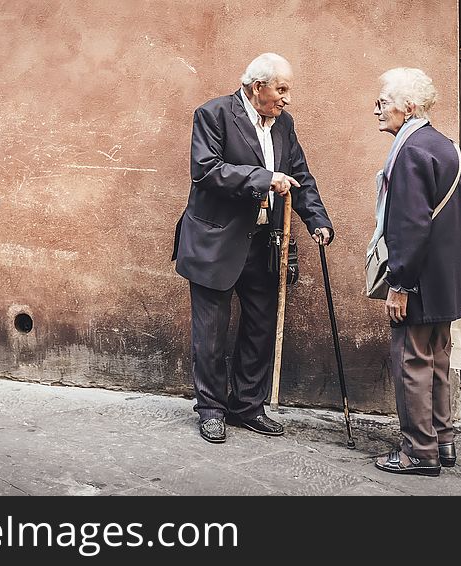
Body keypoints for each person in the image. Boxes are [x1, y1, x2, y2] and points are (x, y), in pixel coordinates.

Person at [171, 53, 334, 443]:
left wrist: (318, 220)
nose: (287, 98)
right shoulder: (213, 115)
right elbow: (207, 170)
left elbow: (299, 175)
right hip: (215, 241)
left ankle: (247, 406)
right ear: (257, 86)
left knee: (260, 328)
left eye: (287, 90)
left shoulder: (284, 125)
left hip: (264, 243)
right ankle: (211, 409)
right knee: (210, 333)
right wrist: (263, 178)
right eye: (282, 89)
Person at [370, 68, 461, 476]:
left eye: (383, 102)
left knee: (412, 361)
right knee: (438, 360)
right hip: (446, 280)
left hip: (419, 281)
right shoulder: (445, 145)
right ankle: (443, 441)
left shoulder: (410, 150)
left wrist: (400, 284)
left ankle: (418, 451)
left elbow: (410, 225)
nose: (376, 109)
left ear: (408, 107)